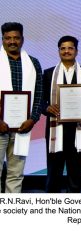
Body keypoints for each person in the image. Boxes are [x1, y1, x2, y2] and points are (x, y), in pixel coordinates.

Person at [42, 35, 81, 193]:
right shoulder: (48, 74)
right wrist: (47, 108)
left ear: (76, 51)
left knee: (76, 175)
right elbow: (40, 102)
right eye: (63, 48)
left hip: (78, 129)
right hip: (55, 131)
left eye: (70, 48)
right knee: (53, 174)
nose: (66, 51)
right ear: (58, 51)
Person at [0, 22, 43, 193]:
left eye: (16, 38)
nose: (12, 41)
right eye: (8, 38)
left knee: (16, 174)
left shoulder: (33, 63)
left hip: (22, 127)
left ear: (22, 40)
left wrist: (33, 119)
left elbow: (39, 94)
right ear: (2, 39)